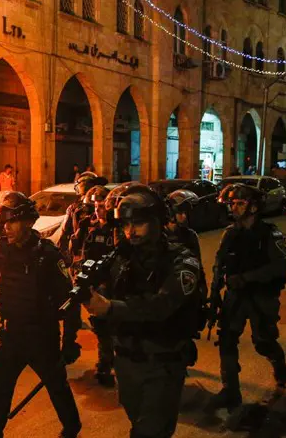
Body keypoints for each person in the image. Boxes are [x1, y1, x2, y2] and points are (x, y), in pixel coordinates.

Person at [83, 185, 202, 438]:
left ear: (157, 222)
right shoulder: (122, 258)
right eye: (125, 225)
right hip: (127, 359)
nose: (130, 231)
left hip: (162, 360)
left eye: (138, 224)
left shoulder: (182, 261)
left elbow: (161, 306)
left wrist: (111, 307)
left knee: (148, 432)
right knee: (137, 419)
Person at [0, 192, 82, 438]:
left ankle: (72, 428)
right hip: (9, 335)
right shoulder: (1, 249)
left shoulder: (47, 255)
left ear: (28, 222)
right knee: (0, 392)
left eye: (11, 222)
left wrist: (69, 341)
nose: (6, 228)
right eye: (3, 222)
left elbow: (70, 300)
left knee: (57, 387)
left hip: (42, 336)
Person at [208, 183, 286, 412]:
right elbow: (219, 264)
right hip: (235, 297)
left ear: (253, 207)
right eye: (232, 203)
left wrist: (247, 278)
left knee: (263, 341)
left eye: (239, 203)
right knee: (226, 341)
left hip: (261, 297)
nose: (233, 208)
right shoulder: (230, 233)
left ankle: (278, 364)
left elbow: (279, 266)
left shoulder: (270, 234)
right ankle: (230, 391)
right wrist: (214, 294)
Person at [77, 185, 117, 387]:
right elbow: (85, 254)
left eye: (101, 206)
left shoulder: (117, 230)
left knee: (115, 327)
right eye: (95, 206)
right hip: (97, 283)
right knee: (101, 327)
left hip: (114, 286)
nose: (97, 210)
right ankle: (104, 365)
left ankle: (113, 363)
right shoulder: (91, 228)